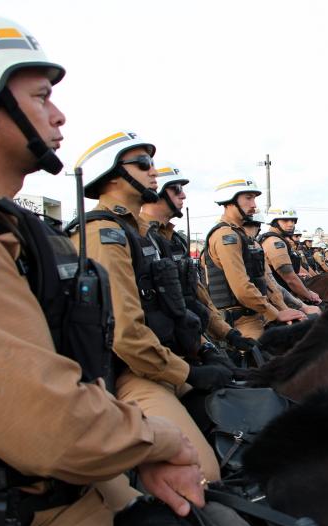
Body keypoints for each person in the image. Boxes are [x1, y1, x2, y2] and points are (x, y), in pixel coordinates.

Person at [0, 13, 202, 526]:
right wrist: (158, 440)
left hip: (55, 481)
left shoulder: (3, 224)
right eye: (42, 97)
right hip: (4, 513)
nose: (59, 114)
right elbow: (46, 417)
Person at [69, 132, 228, 482]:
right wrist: (189, 373)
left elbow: (176, 305)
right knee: (204, 473)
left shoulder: (143, 233)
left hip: (166, 360)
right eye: (143, 165)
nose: (154, 172)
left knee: (240, 414)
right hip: (131, 373)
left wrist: (203, 350)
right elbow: (125, 334)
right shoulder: (103, 233)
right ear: (111, 177)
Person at [140, 162, 255, 353]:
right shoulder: (139, 238)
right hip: (158, 349)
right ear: (156, 192)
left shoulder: (176, 241)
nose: (183, 195)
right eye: (176, 190)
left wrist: (228, 334)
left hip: (188, 338)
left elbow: (197, 296)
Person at [201, 180, 304, 339]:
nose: (254, 205)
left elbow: (265, 281)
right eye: (248, 198)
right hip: (241, 322)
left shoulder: (241, 236)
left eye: (254, 199)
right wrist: (275, 313)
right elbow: (242, 288)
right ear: (230, 201)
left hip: (257, 315)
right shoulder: (226, 236)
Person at [258, 208, 322, 305]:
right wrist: (309, 295)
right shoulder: (275, 242)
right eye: (285, 220)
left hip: (284, 294)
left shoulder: (275, 240)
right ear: (274, 221)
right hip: (280, 299)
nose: (291, 224)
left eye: (293, 221)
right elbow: (290, 278)